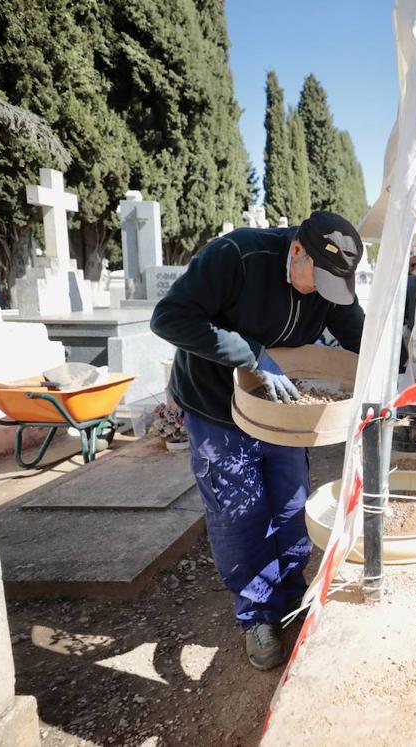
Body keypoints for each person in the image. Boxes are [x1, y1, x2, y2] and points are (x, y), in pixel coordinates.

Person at [150, 210, 365, 671]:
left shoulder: (331, 280)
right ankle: (257, 614)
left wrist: (390, 372)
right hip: (217, 405)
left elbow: (357, 333)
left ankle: (291, 594)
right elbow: (168, 318)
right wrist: (251, 355)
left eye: (332, 288)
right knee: (240, 512)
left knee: (291, 504)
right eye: (317, 281)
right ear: (296, 251)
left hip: (285, 410)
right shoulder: (238, 256)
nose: (320, 294)